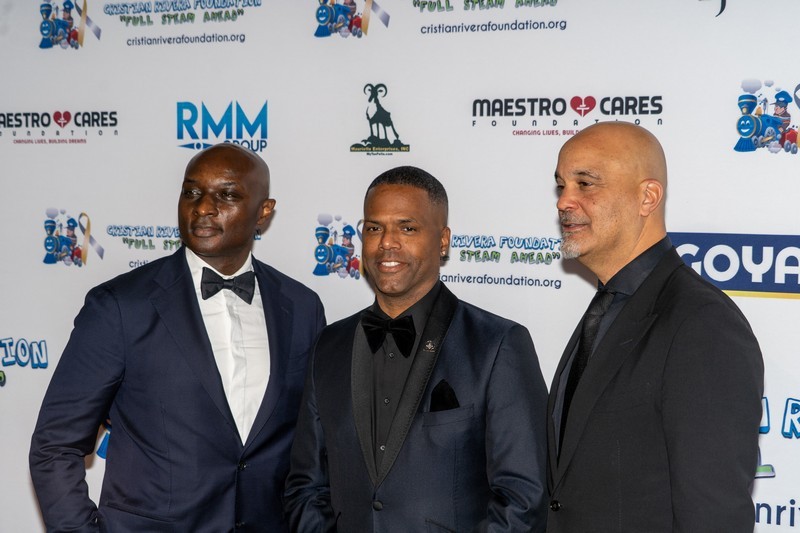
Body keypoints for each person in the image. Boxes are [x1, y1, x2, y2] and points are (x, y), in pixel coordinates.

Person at [29, 143, 326, 532]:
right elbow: (55, 445)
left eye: (227, 195)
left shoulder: (302, 307)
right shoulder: (120, 306)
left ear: (264, 211)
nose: (203, 208)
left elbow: (313, 449)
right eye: (192, 192)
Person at [284, 166, 548, 532]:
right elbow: (306, 485)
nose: (387, 243)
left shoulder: (498, 345)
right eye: (374, 228)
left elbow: (523, 498)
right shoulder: (330, 345)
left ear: (443, 240)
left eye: (407, 228)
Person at [547, 122, 764, 532]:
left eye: (585, 184)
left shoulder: (702, 324)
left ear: (647, 197)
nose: (564, 202)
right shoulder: (607, 307)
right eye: (561, 185)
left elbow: (713, 517)